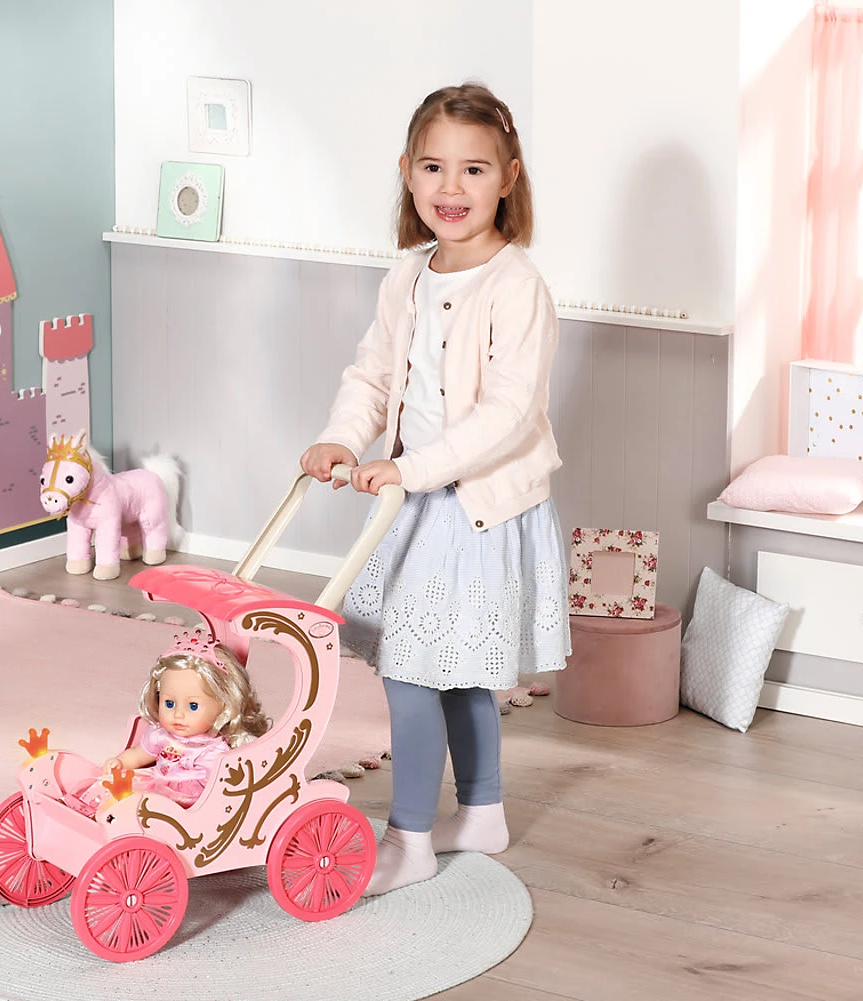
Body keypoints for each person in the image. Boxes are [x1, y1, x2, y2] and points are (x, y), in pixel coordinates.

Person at [300, 83, 570, 895]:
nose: (451, 187)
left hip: (473, 509)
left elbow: (507, 414)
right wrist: (343, 437)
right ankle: (481, 811)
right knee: (446, 665)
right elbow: (373, 373)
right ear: (407, 173)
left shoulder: (516, 286)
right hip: (413, 500)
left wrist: (412, 468)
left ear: (508, 177)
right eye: (433, 167)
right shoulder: (408, 275)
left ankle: (409, 838)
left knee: (415, 669)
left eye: (474, 169)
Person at [77, 626, 271, 812]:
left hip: (185, 800)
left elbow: (218, 789)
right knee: (118, 789)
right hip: (156, 782)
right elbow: (138, 755)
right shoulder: (160, 735)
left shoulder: (213, 750)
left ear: (223, 706)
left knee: (148, 806)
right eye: (169, 703)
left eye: (193, 706)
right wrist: (120, 762)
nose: (178, 714)